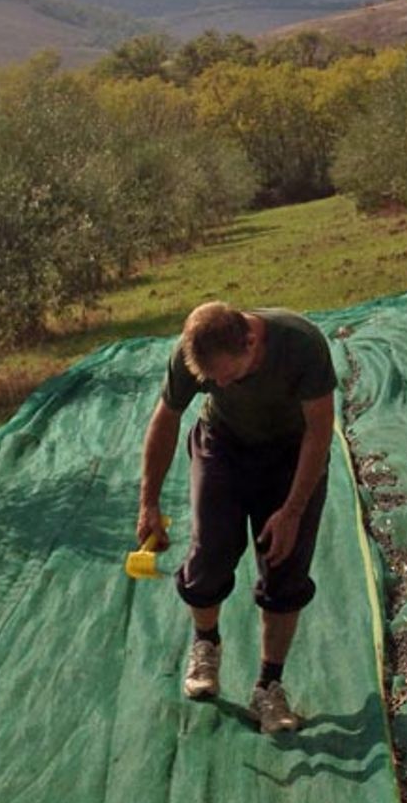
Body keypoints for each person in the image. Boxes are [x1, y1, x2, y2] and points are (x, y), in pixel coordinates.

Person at [137, 301, 337, 734]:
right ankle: (206, 642)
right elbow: (166, 418)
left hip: (291, 452)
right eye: (213, 381)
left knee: (285, 566)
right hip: (223, 446)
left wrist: (292, 510)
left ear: (251, 340)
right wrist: (148, 502)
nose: (221, 384)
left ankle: (269, 686)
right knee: (209, 554)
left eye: (229, 375)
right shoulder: (193, 354)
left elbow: (320, 431)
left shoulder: (300, 344)